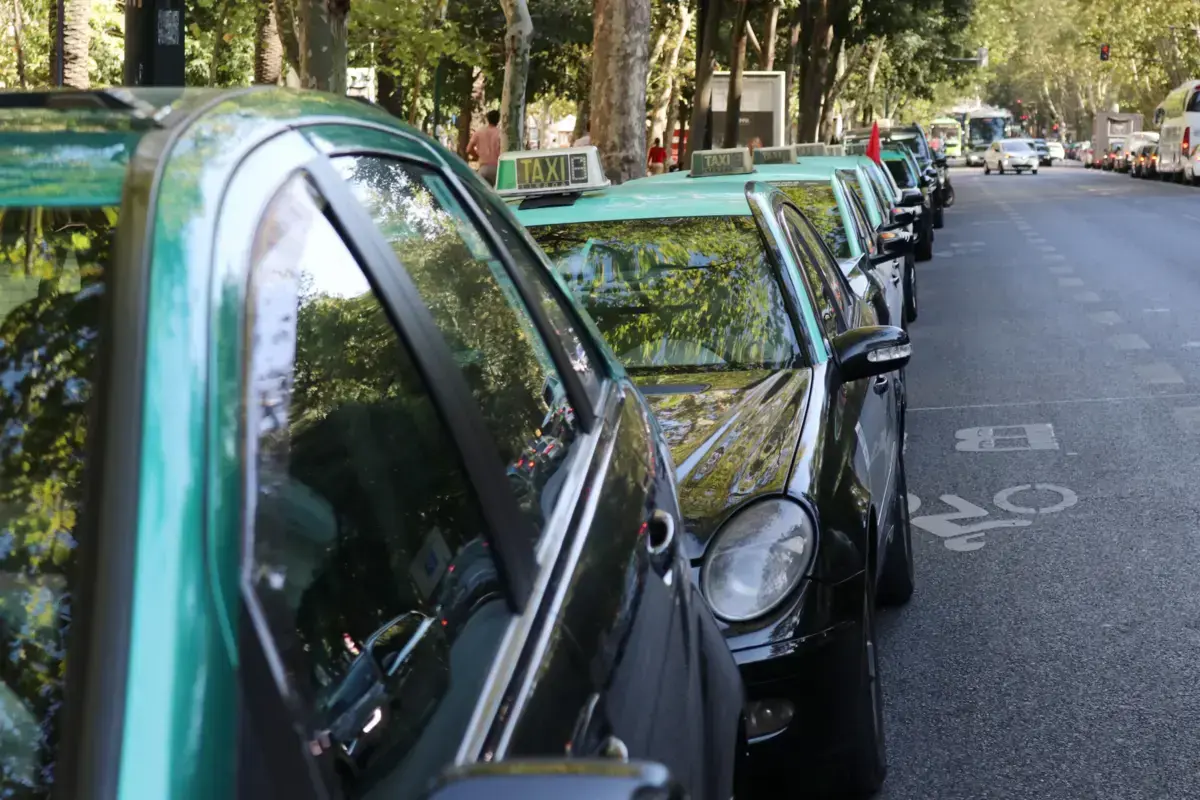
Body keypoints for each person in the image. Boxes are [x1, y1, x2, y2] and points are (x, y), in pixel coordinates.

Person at [467, 110, 502, 187]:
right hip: (498, 168)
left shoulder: (479, 132)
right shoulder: (500, 134)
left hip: (483, 168)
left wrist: (477, 156)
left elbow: (469, 149)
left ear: (487, 119)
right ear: (498, 120)